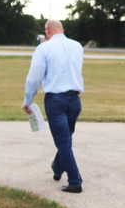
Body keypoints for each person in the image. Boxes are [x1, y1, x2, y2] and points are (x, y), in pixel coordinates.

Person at [22, 19, 85, 193]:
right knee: (66, 138)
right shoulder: (77, 46)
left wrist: (27, 100)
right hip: (74, 100)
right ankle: (57, 167)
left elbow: (34, 77)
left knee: (63, 140)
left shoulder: (44, 48)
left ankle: (75, 181)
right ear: (62, 30)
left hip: (55, 100)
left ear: (48, 30)